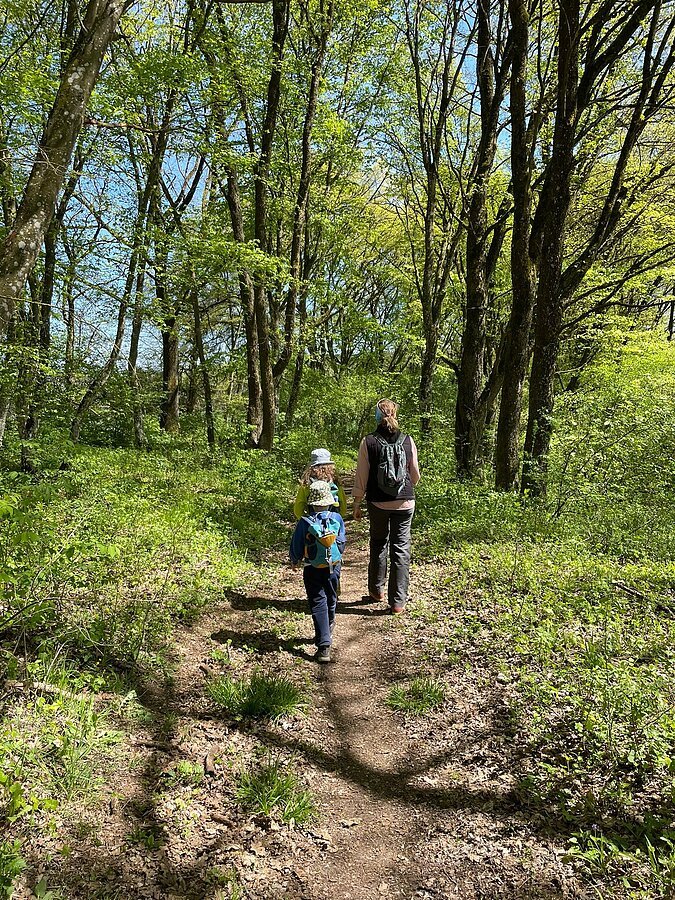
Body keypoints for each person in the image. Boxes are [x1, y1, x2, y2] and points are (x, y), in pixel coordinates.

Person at [352, 398, 420, 614]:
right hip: (405, 501)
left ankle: (376, 590)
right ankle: (398, 602)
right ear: (394, 414)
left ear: (377, 416)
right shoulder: (408, 440)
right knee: (401, 548)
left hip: (378, 502)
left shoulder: (368, 441)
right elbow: (415, 475)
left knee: (378, 542)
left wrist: (357, 502)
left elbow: (361, 475)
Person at [290, 480, 346, 663]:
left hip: (311, 567)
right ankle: (328, 625)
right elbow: (341, 542)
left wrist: (295, 559)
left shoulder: (305, 522)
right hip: (333, 566)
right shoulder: (337, 518)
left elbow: (297, 544)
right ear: (329, 501)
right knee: (331, 596)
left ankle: (323, 646)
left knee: (317, 601)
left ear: (311, 503)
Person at [293, 448, 347, 519]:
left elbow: (298, 510)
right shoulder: (335, 482)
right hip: (333, 520)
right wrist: (337, 518)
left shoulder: (307, 484)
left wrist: (306, 520)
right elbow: (343, 506)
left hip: (312, 522)